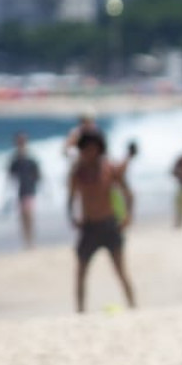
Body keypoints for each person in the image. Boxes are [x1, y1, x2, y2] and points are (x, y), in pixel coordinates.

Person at [68, 129, 136, 313]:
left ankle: (133, 308)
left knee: (121, 271)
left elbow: (129, 194)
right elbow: (71, 197)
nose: (89, 153)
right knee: (81, 273)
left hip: (109, 225)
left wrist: (128, 216)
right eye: (86, 149)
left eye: (93, 149)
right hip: (89, 227)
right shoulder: (77, 172)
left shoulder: (110, 169)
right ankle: (80, 312)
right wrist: (72, 217)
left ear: (99, 149)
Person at [7, 134, 42, 249]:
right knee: (23, 218)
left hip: (30, 190)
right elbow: (10, 175)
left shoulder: (29, 159)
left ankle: (31, 241)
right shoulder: (15, 159)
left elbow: (38, 175)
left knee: (29, 216)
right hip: (21, 191)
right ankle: (27, 242)